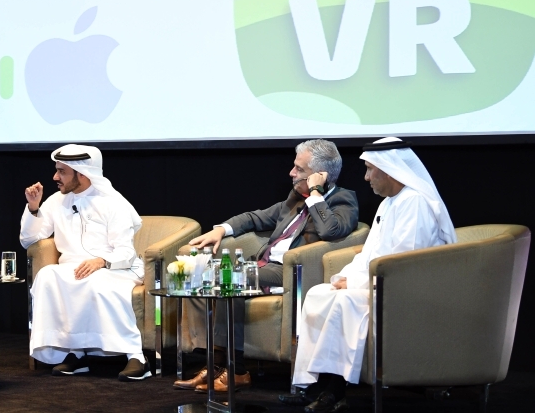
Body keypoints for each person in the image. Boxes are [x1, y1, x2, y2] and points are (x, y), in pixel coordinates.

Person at [281, 137, 457, 413]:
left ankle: (335, 391)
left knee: (344, 302)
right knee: (317, 294)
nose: (365, 177)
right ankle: (309, 386)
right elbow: (369, 254)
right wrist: (344, 277)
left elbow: (402, 262)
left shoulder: (415, 203)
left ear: (388, 170)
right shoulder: (389, 203)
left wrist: (354, 284)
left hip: (409, 291)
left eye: (370, 169)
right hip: (376, 283)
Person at [177, 139, 359, 393]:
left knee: (231, 281)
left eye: (299, 169)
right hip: (264, 266)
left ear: (319, 175)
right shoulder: (295, 198)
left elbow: (331, 230)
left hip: (291, 271)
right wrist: (220, 229)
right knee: (204, 278)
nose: (291, 173)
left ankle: (237, 371)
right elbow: (255, 217)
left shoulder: (343, 200)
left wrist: (316, 194)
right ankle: (217, 365)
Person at [20, 144, 151, 381]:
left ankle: (136, 356)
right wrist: (33, 207)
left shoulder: (113, 202)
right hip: (73, 268)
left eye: (62, 172)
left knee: (96, 282)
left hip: (114, 267)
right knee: (48, 276)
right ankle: (76, 353)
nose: (55, 177)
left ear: (82, 174)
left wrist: (101, 261)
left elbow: (125, 252)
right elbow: (29, 240)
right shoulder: (56, 201)